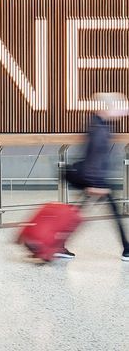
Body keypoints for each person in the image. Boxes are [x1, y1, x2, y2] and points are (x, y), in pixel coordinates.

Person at [61, 92, 129, 261]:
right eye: (118, 107)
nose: (122, 111)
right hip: (94, 178)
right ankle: (127, 249)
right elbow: (94, 157)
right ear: (108, 108)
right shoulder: (99, 128)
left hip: (95, 177)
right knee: (86, 213)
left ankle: (58, 244)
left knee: (79, 213)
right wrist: (95, 183)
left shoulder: (100, 123)